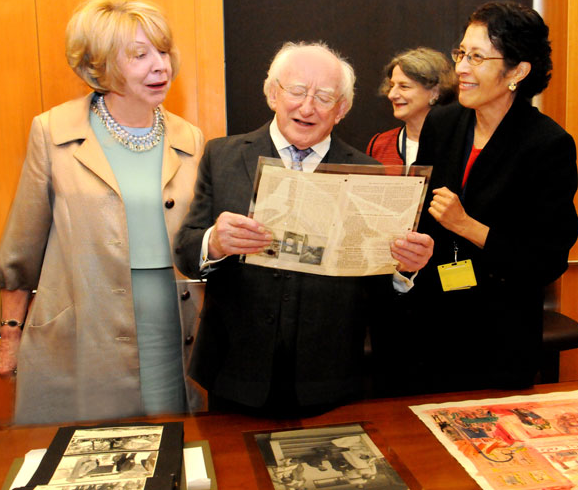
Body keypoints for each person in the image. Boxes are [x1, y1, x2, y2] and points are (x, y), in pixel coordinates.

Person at [173, 41, 434, 415]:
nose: (307, 107)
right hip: (235, 371)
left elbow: (378, 286)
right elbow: (185, 250)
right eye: (296, 91)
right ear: (272, 93)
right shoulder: (223, 155)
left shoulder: (368, 173)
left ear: (342, 109)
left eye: (324, 97)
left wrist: (405, 267)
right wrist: (214, 242)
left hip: (330, 377)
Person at [0, 0, 204, 424]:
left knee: (171, 448)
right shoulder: (52, 131)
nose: (160, 65)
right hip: (83, 334)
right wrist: (10, 335)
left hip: (170, 329)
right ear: (100, 64)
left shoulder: (192, 138)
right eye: (140, 55)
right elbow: (22, 247)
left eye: (163, 51)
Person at [390, 1, 578, 395]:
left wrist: (467, 226)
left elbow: (545, 260)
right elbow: (422, 215)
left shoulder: (547, 145)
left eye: (477, 57)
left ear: (517, 72)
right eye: (461, 53)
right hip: (428, 326)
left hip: (497, 338)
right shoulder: (442, 123)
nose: (460, 68)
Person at [366, 47, 456, 169]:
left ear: (435, 92)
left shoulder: (456, 144)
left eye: (404, 86)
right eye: (392, 86)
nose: (392, 95)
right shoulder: (380, 145)